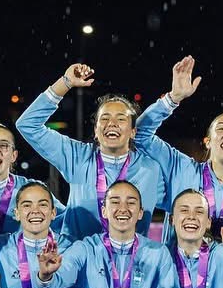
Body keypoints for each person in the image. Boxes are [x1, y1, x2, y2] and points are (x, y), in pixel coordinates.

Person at [14, 64, 163, 241]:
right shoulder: (77, 156)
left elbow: (181, 203)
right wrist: (65, 83)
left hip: (131, 257)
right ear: (96, 131)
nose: (112, 123)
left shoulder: (151, 169)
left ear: (133, 132)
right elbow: (27, 125)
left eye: (121, 119)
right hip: (78, 256)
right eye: (105, 118)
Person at [134, 56, 223, 238]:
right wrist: (172, 99)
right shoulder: (181, 169)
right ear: (208, 141)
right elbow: (140, 135)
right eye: (221, 128)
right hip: (176, 258)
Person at [0, 122, 65, 244]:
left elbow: (67, 221)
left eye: (3, 146)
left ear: (14, 155)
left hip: (20, 256)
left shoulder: (33, 190)